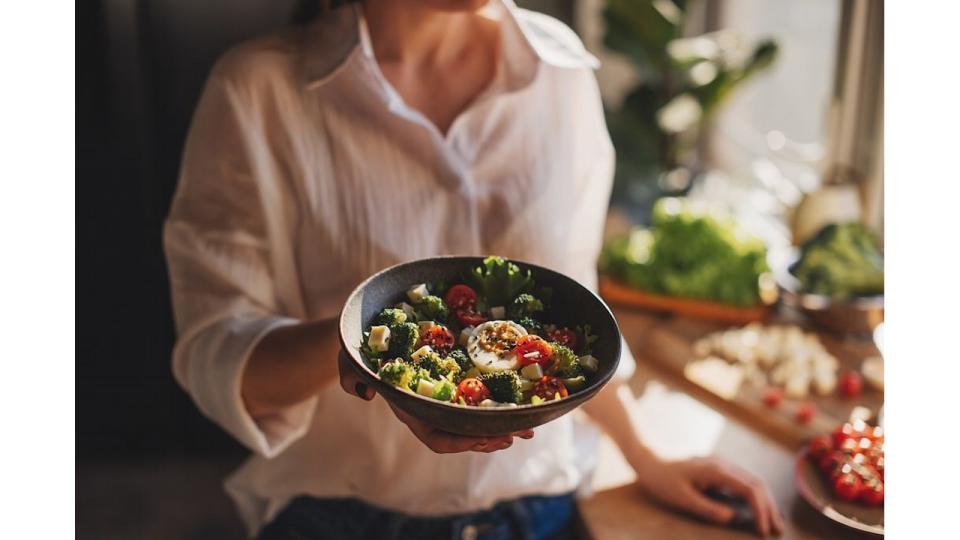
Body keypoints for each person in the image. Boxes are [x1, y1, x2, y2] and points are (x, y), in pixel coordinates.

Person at [164, 0, 785, 538]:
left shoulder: (560, 70)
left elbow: (572, 307)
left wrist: (647, 456)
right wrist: (363, 355)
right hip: (340, 519)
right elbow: (219, 356)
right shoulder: (258, 88)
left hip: (539, 514)